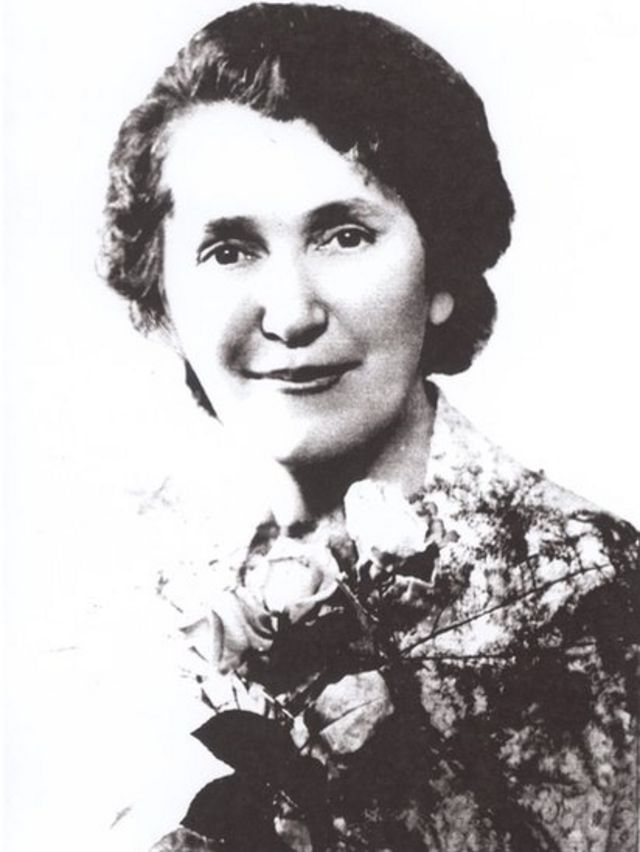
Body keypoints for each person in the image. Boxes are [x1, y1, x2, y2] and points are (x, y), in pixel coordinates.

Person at [102, 4, 639, 850]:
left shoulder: (595, 600)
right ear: (162, 298)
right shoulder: (163, 607)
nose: (291, 314)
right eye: (229, 249)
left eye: (345, 236)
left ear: (443, 272)